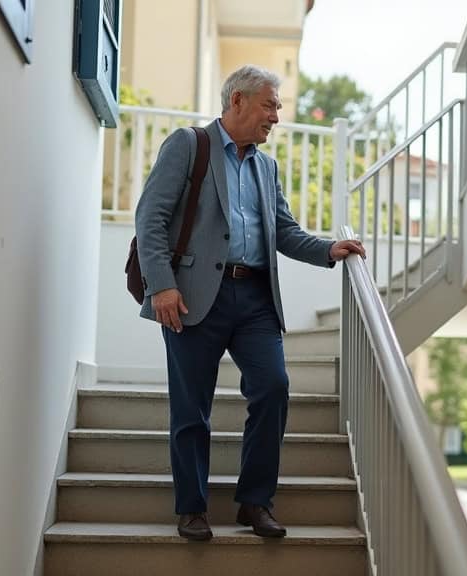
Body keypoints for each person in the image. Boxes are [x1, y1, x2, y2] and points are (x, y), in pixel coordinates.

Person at [135, 64, 365, 541]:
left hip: (255, 296)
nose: (276, 117)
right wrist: (162, 285)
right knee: (190, 407)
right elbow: (150, 217)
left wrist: (326, 249)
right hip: (193, 296)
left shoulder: (266, 166)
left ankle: (255, 502)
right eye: (270, 105)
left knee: (273, 388)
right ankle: (192, 507)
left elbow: (282, 230)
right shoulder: (188, 145)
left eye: (277, 108)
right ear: (237, 101)